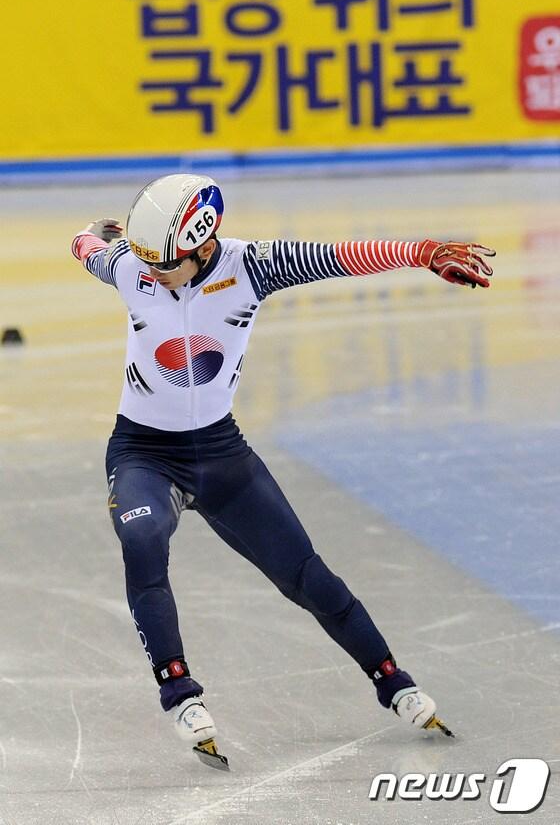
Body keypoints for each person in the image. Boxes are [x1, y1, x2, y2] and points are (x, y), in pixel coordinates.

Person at [71, 174, 495, 768]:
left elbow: (344, 256)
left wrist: (422, 252)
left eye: (163, 263)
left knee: (309, 579)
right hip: (143, 454)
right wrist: (95, 233)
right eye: (144, 261)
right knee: (141, 541)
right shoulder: (133, 267)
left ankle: (394, 681)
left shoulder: (252, 267)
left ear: (200, 244)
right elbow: (89, 248)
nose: (152, 274)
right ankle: (180, 693)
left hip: (223, 457)